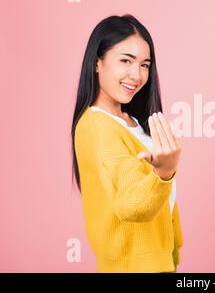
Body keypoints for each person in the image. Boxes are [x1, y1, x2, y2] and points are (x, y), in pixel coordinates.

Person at [70, 14, 183, 273]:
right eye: (125, 61)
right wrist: (163, 172)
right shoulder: (96, 126)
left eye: (145, 64)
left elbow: (165, 206)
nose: (137, 74)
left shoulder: (134, 122)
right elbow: (130, 204)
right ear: (97, 63)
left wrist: (173, 252)